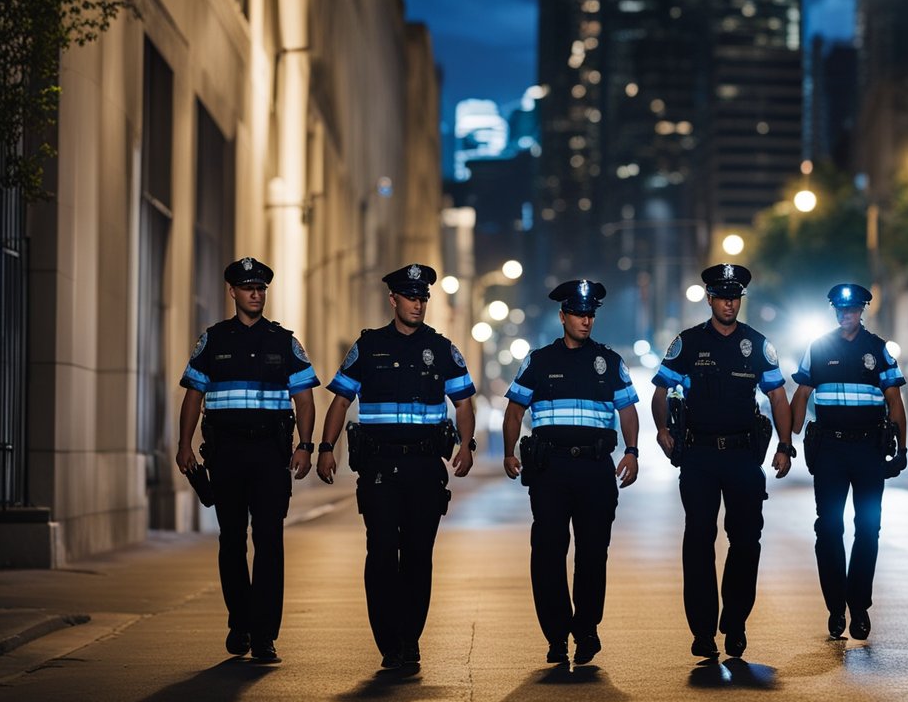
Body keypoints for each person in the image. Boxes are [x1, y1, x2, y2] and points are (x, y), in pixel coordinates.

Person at [316, 263, 476, 669]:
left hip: (425, 467)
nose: (418, 303)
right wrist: (324, 447)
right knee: (383, 551)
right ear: (393, 300)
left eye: (423, 297)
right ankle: (388, 639)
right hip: (380, 470)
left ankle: (410, 638)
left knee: (419, 555)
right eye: (410, 296)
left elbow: (463, 402)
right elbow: (340, 400)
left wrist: (467, 444)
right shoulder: (368, 348)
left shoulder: (442, 349)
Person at [176, 257, 320, 662]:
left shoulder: (283, 341)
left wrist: (305, 446)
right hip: (226, 455)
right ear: (233, 292)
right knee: (231, 541)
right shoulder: (214, 340)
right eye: (248, 288)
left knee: (270, 541)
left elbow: (305, 400)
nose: (255, 294)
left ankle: (264, 635)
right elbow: (193, 396)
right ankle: (240, 622)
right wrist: (184, 445)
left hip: (269, 456)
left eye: (260, 288)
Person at [651, 263, 793, 660]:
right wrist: (663, 431)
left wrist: (785, 444)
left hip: (743, 456)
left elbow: (778, 397)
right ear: (710, 298)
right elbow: (660, 391)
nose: (729, 302)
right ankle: (702, 631)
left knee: (747, 541)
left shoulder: (758, 345)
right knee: (698, 540)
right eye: (722, 296)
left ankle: (735, 620)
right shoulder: (688, 343)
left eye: (735, 297)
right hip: (697, 455)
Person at [503, 279, 640, 665]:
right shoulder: (539, 361)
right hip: (551, 470)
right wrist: (510, 453)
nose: (585, 321)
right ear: (562, 316)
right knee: (548, 553)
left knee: (593, 554)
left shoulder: (610, 361)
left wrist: (631, 451)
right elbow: (514, 410)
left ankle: (587, 629)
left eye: (590, 314)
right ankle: (556, 634)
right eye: (579, 314)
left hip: (597, 470)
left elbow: (627, 410)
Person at [789, 283, 907, 641]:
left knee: (868, 529)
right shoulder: (818, 348)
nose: (846, 315)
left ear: (862, 311)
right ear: (834, 312)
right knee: (828, 529)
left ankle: (859, 606)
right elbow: (801, 393)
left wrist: (901, 449)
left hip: (869, 451)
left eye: (852, 309)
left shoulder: (879, 350)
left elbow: (895, 401)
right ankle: (835, 608)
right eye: (840, 309)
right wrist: (787, 438)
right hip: (830, 452)